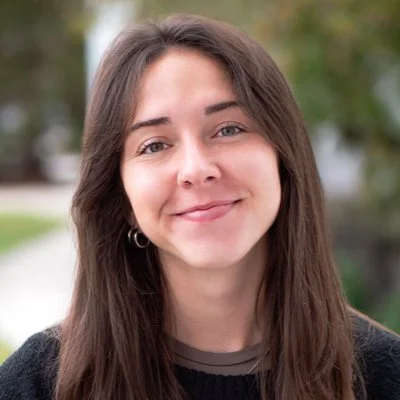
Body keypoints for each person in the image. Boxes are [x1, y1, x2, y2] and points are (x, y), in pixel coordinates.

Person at [0, 13, 399, 400]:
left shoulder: (384, 375)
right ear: (120, 198)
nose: (196, 169)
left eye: (229, 129)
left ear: (283, 157)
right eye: (154, 145)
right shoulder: (37, 385)